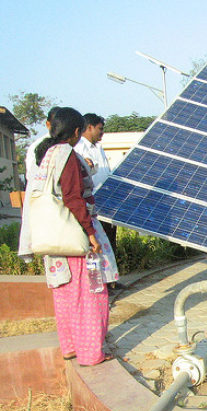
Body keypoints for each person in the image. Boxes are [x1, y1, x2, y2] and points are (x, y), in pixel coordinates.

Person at [30, 107, 119, 366]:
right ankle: (91, 353)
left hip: (55, 236)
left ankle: (70, 346)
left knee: (66, 292)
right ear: (77, 131)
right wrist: (90, 234)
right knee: (91, 292)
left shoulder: (47, 154)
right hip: (75, 237)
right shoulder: (67, 154)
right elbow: (72, 197)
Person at [74, 113, 121, 289]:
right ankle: (101, 282)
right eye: (100, 129)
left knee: (110, 240)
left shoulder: (98, 148)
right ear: (90, 127)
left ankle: (111, 280)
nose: (102, 133)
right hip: (91, 204)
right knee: (96, 244)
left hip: (107, 202)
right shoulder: (79, 148)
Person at [17, 106, 61, 262]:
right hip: (47, 205)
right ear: (48, 124)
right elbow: (34, 177)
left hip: (61, 209)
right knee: (53, 255)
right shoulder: (40, 146)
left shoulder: (67, 145)